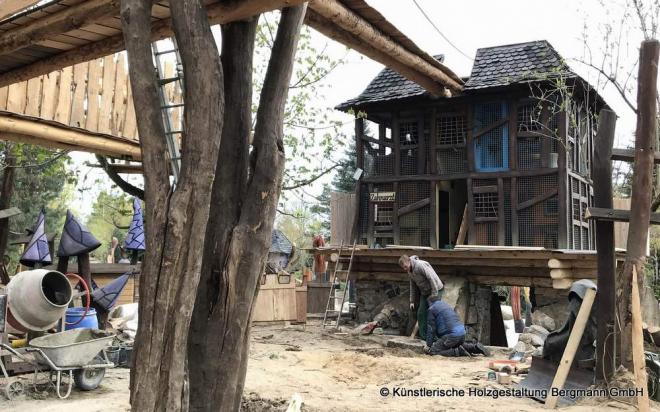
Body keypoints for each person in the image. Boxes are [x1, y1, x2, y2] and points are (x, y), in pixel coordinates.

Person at [425, 296, 490, 357]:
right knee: (455, 344)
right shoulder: (446, 306)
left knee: (433, 351)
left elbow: (431, 329)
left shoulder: (432, 309)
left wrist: (428, 345)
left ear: (429, 302)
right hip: (462, 334)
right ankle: (474, 347)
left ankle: (457, 352)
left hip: (451, 336)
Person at [398, 254, 443, 339]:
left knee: (434, 313)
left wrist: (434, 294)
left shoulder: (420, 265)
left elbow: (431, 278)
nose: (405, 269)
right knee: (421, 313)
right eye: (403, 268)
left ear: (409, 261)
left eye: (405, 266)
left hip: (436, 289)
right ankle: (424, 336)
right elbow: (412, 286)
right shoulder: (409, 271)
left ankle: (438, 337)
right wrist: (412, 301)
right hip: (425, 292)